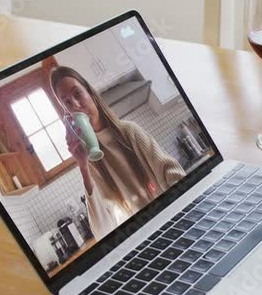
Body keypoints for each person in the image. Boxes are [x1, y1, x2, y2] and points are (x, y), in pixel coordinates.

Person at [50, 66, 185, 239]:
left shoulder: (129, 131)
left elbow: (173, 173)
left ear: (90, 93)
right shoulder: (91, 162)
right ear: (69, 115)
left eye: (78, 94)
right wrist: (82, 166)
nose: (76, 105)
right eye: (68, 103)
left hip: (173, 221)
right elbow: (101, 231)